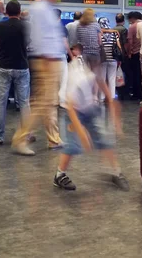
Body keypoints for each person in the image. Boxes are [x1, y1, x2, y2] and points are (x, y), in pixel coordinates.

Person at [53, 43, 129, 191]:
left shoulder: (95, 69)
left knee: (104, 139)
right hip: (70, 108)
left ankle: (116, 173)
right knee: (72, 145)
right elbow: (71, 107)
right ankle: (59, 175)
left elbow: (109, 96)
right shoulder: (78, 78)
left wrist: (116, 121)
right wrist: (81, 132)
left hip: (88, 106)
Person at [11, 0, 72, 155]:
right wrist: (47, 59)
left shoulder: (49, 10)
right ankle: (20, 139)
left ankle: (53, 139)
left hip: (52, 61)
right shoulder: (39, 9)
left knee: (50, 103)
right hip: (46, 61)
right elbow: (37, 36)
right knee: (41, 104)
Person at [0, 1, 30, 145]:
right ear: (19, 11)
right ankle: (26, 135)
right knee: (24, 102)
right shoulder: (26, 26)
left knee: (1, 102)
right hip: (22, 66)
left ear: (6, 11)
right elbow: (27, 43)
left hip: (3, 66)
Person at [98, 17, 121, 102]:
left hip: (102, 59)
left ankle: (101, 97)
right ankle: (111, 97)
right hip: (113, 59)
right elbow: (118, 45)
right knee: (111, 79)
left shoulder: (99, 33)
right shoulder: (114, 33)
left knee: (102, 79)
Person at [126, 11, 142, 101]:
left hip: (135, 54)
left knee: (135, 75)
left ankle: (136, 94)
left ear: (132, 18)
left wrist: (129, 53)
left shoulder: (132, 27)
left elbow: (130, 42)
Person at [114, 13, 129, 99]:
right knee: (124, 73)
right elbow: (125, 43)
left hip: (115, 55)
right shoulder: (124, 30)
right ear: (123, 21)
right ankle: (123, 92)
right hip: (123, 54)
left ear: (116, 20)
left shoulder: (112, 29)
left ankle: (117, 91)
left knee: (116, 74)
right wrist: (127, 53)